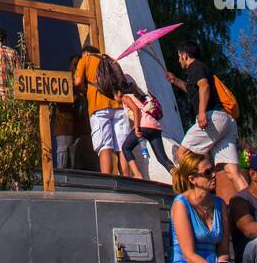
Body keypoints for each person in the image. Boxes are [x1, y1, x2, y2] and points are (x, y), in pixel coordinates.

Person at [166, 41, 248, 193]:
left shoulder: (194, 67)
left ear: (185, 56)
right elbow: (193, 89)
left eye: (179, 57)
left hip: (213, 117)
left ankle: (198, 189)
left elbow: (204, 86)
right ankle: (253, 204)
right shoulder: (200, 69)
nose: (178, 60)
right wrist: (175, 80)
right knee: (232, 171)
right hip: (227, 121)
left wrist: (202, 112)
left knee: (181, 153)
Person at [74, 46, 130, 177]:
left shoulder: (85, 59)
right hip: (118, 106)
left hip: (98, 106)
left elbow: (78, 82)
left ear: (86, 53)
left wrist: (84, 90)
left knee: (104, 145)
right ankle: (127, 179)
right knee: (122, 146)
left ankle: (108, 179)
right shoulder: (110, 60)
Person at [121, 81, 172, 174]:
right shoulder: (139, 97)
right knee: (162, 158)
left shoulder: (125, 97)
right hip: (155, 126)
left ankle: (137, 175)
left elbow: (136, 110)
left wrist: (136, 127)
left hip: (143, 126)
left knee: (125, 148)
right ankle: (179, 177)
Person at [53, 55, 84, 170]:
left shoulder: (82, 81)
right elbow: (60, 100)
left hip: (79, 126)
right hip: (64, 123)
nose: (77, 68)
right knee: (63, 151)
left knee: (74, 153)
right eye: (75, 65)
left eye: (79, 65)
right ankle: (62, 177)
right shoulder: (65, 81)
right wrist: (76, 97)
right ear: (70, 66)